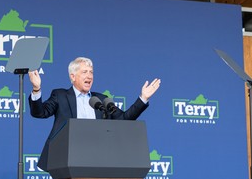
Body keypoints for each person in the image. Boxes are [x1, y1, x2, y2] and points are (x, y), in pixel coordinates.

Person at [28, 56, 161, 172]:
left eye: (91, 72)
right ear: (72, 76)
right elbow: (39, 112)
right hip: (66, 157)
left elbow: (123, 119)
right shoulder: (60, 95)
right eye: (84, 72)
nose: (89, 76)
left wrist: (143, 98)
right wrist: (36, 89)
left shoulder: (101, 100)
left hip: (98, 158)